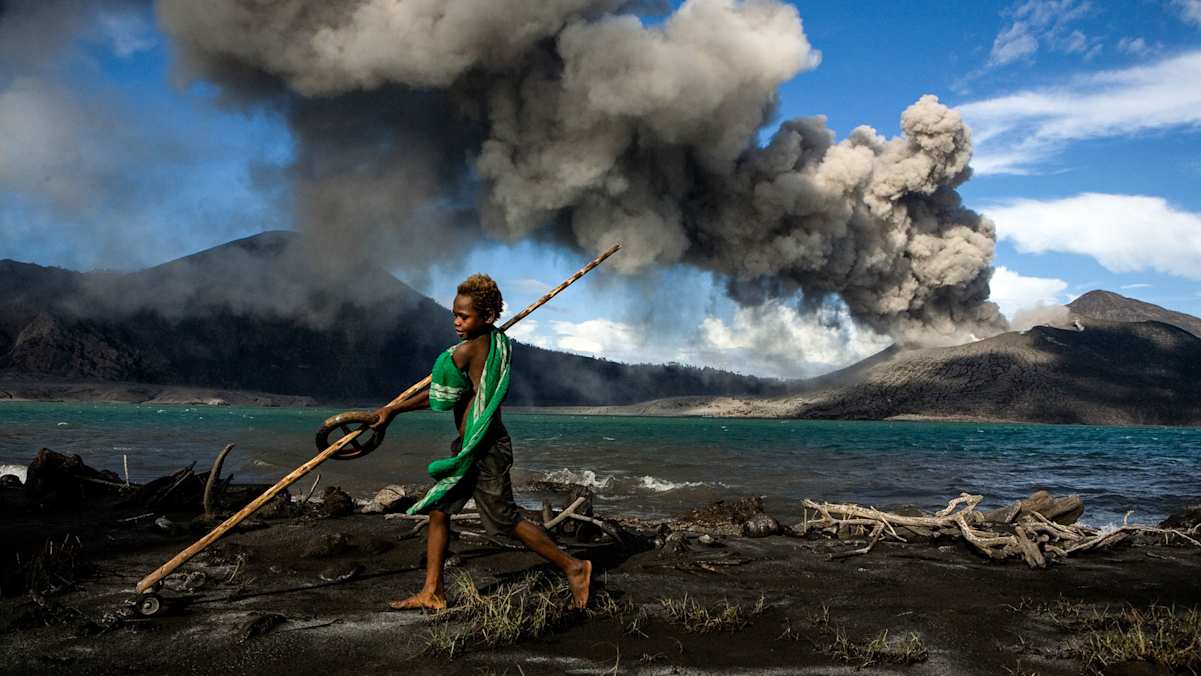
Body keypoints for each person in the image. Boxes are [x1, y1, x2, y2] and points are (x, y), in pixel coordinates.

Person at [372, 273, 592, 610]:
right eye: (454, 315)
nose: (456, 322)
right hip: (471, 448)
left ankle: (573, 567)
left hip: (485, 449)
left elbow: (438, 398)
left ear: (487, 316)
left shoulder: (466, 352)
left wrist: (393, 410)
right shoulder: (495, 341)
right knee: (440, 508)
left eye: (464, 316)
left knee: (505, 520)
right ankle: (433, 591)